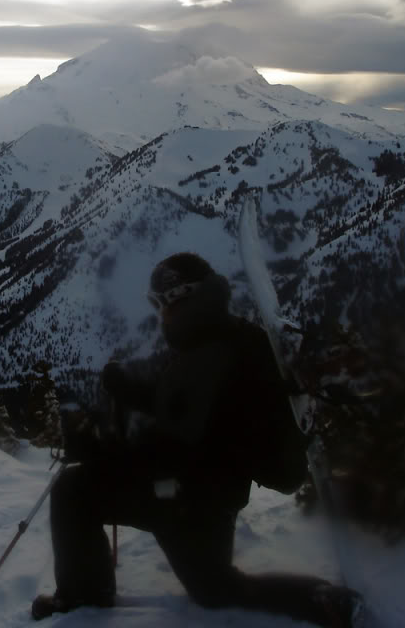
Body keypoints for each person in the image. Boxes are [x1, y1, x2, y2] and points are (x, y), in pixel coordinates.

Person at [31, 252, 362, 627]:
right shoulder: (234, 335)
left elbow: (170, 447)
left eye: (159, 301)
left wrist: (96, 452)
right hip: (212, 498)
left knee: (74, 491)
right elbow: (182, 399)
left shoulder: (206, 356)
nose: (158, 312)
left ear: (178, 296)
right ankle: (321, 601)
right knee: (215, 588)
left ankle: (80, 599)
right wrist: (127, 384)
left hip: (182, 497)